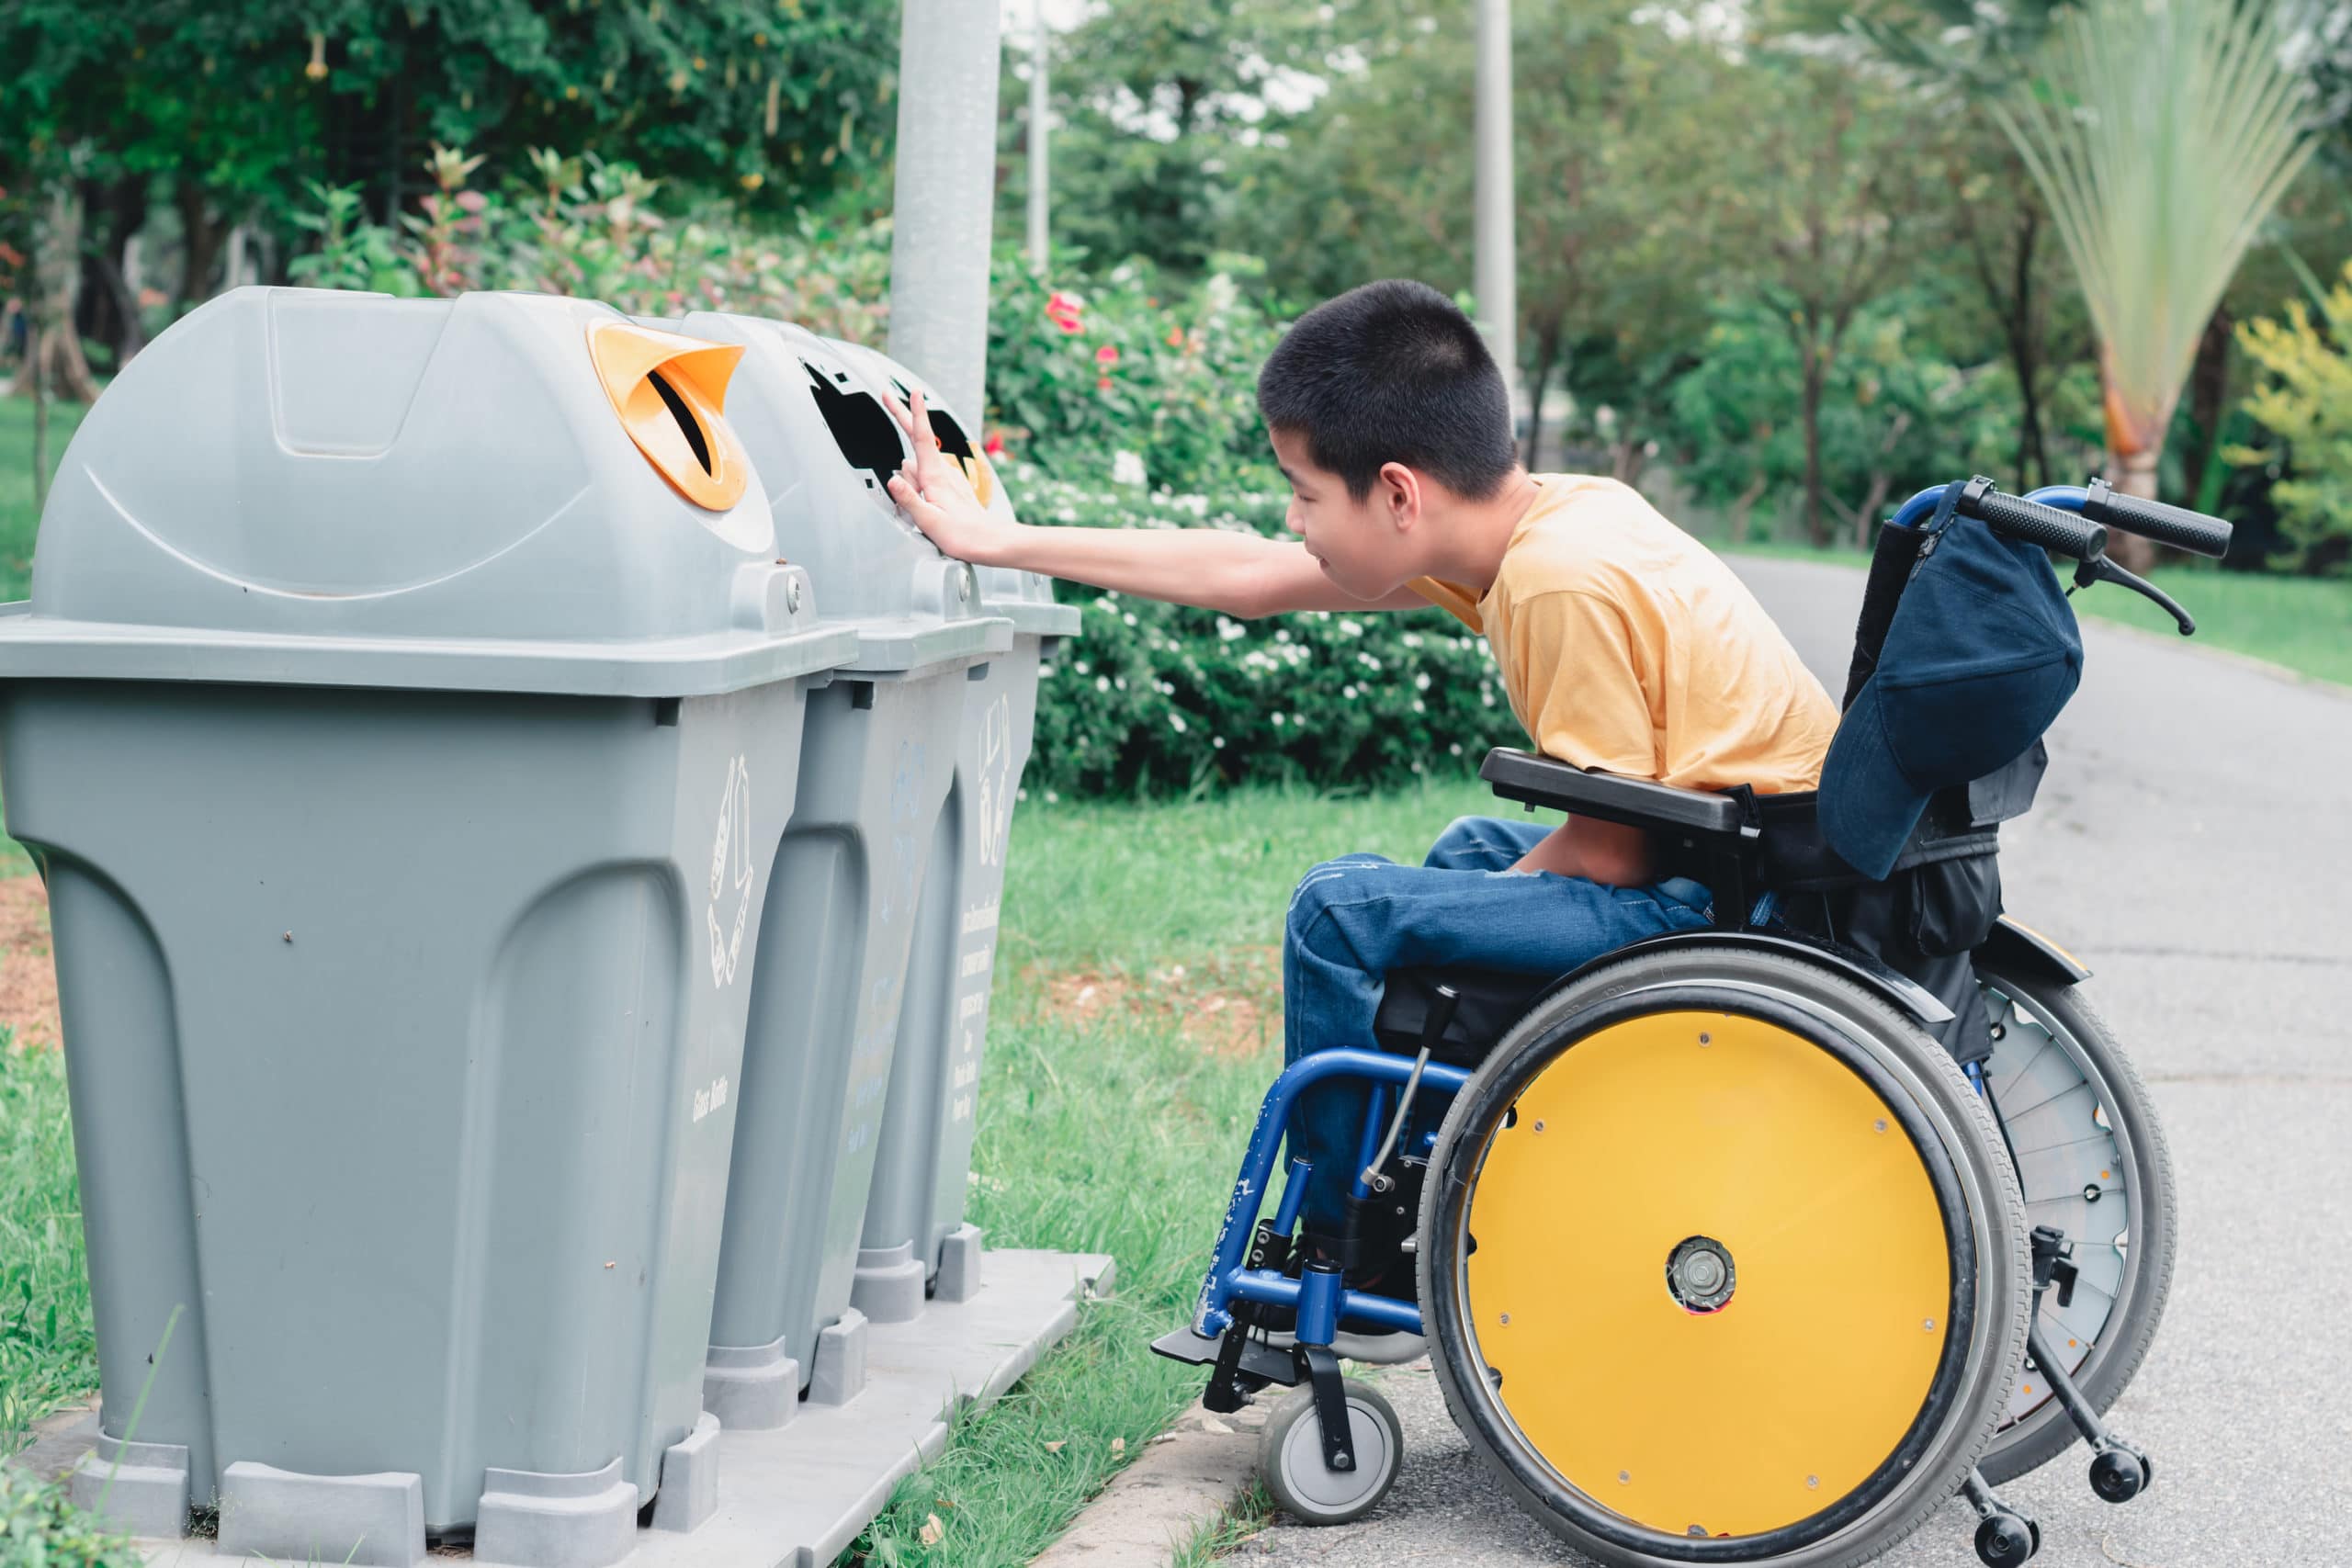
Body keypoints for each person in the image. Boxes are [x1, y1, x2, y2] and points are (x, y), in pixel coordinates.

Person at [885, 278, 1836, 1280]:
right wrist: (997, 540)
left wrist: (1434, 937)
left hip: (1738, 903)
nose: (1294, 520)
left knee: (1340, 911)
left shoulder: (1558, 580)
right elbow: (1249, 579)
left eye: (1302, 492)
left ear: (1395, 492)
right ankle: (1436, 1177)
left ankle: (1349, 1244)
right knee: (1462, 854)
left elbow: (1607, 853)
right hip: (1736, 858)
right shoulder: (1540, 521)